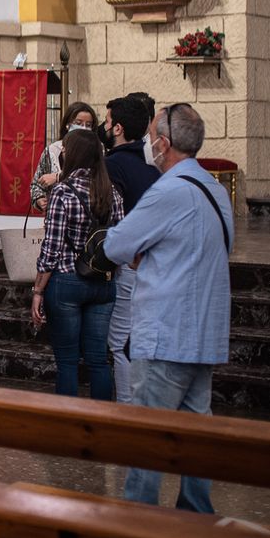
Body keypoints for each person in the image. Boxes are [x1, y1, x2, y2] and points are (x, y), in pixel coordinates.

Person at [102, 104, 232, 513]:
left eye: (151, 139)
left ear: (163, 143)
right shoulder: (215, 190)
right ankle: (195, 514)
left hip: (165, 333)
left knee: (149, 436)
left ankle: (140, 519)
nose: (148, 145)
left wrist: (142, 253)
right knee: (195, 433)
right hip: (204, 332)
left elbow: (115, 245)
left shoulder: (168, 190)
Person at [32, 129, 126, 401]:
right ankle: (101, 419)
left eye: (64, 150)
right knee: (98, 360)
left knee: (67, 362)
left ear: (72, 155)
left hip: (67, 281)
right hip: (103, 282)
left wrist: (38, 291)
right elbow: (121, 240)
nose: (61, 153)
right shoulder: (112, 192)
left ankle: (68, 420)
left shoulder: (62, 192)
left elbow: (51, 248)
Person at [100, 94, 159, 402]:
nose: (104, 127)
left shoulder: (112, 165)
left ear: (118, 128)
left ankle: (126, 408)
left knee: (120, 342)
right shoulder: (153, 167)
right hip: (155, 263)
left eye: (107, 122)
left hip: (129, 264)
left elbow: (110, 216)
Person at [30, 102, 99, 212]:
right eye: (79, 123)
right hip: (57, 212)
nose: (83, 128)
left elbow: (97, 177)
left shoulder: (98, 149)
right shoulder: (52, 150)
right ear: (68, 124)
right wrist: (39, 199)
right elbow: (36, 184)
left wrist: (58, 177)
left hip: (88, 211)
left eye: (88, 125)